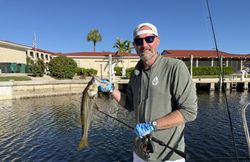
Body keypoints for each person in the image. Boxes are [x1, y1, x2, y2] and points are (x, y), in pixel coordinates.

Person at [99, 22, 197, 162]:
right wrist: (112, 90)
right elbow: (130, 104)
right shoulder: (135, 73)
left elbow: (190, 112)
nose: (144, 45)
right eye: (139, 41)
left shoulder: (175, 68)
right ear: (135, 45)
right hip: (140, 153)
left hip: (169, 156)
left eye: (149, 39)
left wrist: (153, 125)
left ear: (157, 41)